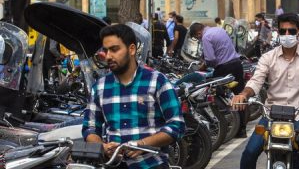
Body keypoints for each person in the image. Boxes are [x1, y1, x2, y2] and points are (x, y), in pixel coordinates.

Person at [232, 13, 299, 169]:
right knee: (249, 152)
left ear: (298, 32)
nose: (287, 35)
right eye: (283, 31)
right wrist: (243, 94)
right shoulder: (268, 57)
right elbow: (256, 81)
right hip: (271, 115)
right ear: (278, 32)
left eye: (291, 31)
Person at [82, 24, 185, 169]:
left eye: (114, 49)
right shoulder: (99, 87)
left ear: (131, 49)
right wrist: (102, 147)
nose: (108, 56)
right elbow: (90, 128)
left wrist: (143, 144)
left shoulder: (157, 81)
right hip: (113, 164)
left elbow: (177, 125)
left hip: (151, 164)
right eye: (105, 50)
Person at [190, 23, 247, 138]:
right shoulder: (219, 30)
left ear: (198, 33)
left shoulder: (206, 37)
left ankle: (222, 118)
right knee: (239, 96)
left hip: (224, 68)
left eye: (197, 37)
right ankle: (242, 130)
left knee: (209, 91)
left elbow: (211, 59)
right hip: (236, 64)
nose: (199, 39)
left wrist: (204, 66)